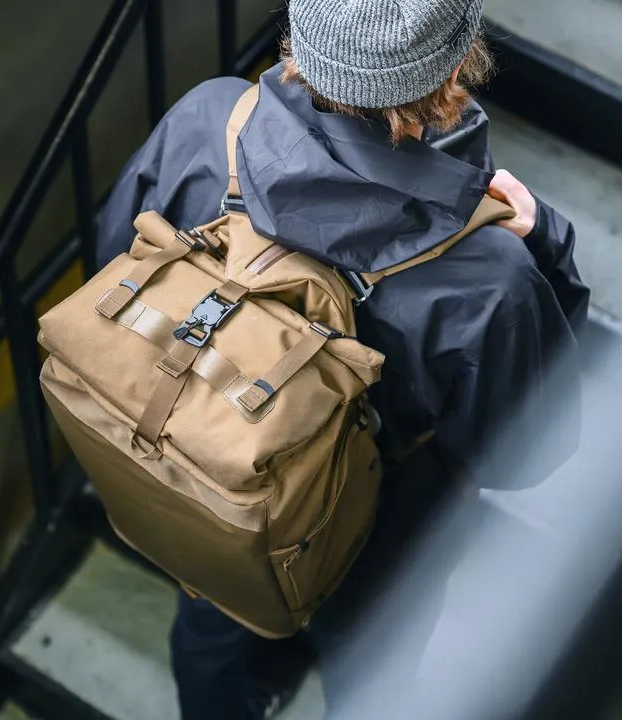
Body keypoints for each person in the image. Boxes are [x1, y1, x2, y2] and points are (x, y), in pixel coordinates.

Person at [96, 0, 590, 717]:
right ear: (457, 68)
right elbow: (531, 451)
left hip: (212, 474)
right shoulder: (486, 275)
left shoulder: (207, 123)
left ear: (301, 34)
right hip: (378, 540)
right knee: (369, 670)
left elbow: (117, 258)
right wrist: (545, 241)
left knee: (214, 625)